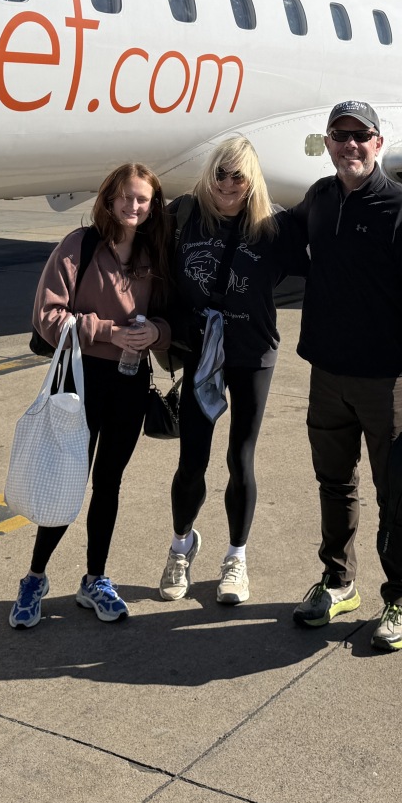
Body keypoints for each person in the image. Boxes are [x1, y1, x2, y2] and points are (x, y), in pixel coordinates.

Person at [290, 100, 402, 652]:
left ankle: (401, 597)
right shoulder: (320, 198)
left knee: (395, 493)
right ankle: (339, 581)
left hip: (388, 381)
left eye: (361, 135)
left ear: (378, 143)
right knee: (334, 483)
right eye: (340, 135)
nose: (350, 144)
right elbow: (278, 236)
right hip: (328, 374)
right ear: (328, 143)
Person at [9, 163, 173, 629]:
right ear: (109, 199)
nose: (133, 206)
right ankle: (34, 578)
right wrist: (108, 332)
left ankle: (95, 578)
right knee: (67, 479)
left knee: (109, 484)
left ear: (152, 206)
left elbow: (171, 318)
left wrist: (155, 333)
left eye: (142, 199)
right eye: (125, 197)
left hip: (130, 380)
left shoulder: (155, 254)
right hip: (81, 380)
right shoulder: (79, 246)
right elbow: (47, 316)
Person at [157, 136, 300, 606]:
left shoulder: (273, 227)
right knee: (191, 460)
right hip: (201, 352)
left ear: (251, 178)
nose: (227, 183)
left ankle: (236, 557)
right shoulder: (184, 215)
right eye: (220, 173)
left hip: (252, 353)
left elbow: (329, 266)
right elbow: (138, 251)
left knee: (241, 457)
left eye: (238, 175)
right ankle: (181, 546)